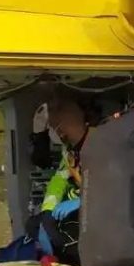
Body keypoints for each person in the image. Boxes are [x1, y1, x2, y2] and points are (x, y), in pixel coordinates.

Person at [40, 92, 89, 221]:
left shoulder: (100, 144)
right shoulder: (69, 152)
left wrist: (83, 201)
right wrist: (48, 210)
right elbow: (59, 180)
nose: (53, 131)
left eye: (53, 126)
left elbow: (114, 187)